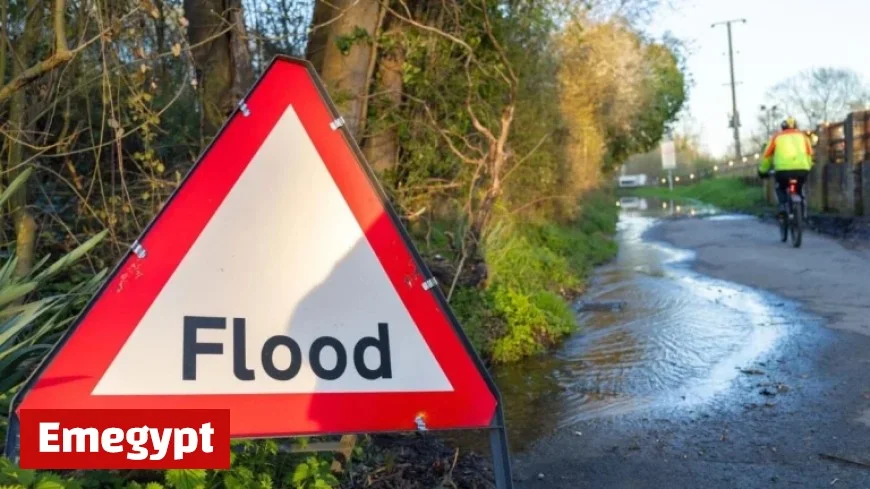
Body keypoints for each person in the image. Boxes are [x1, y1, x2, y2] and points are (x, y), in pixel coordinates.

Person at [758, 116, 814, 217]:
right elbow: (809, 154)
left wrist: (763, 170)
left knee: (780, 187)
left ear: (783, 127)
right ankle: (802, 209)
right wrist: (808, 167)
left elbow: (767, 156)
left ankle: (783, 206)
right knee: (799, 188)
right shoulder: (803, 137)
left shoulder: (777, 137)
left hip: (783, 171)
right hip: (802, 170)